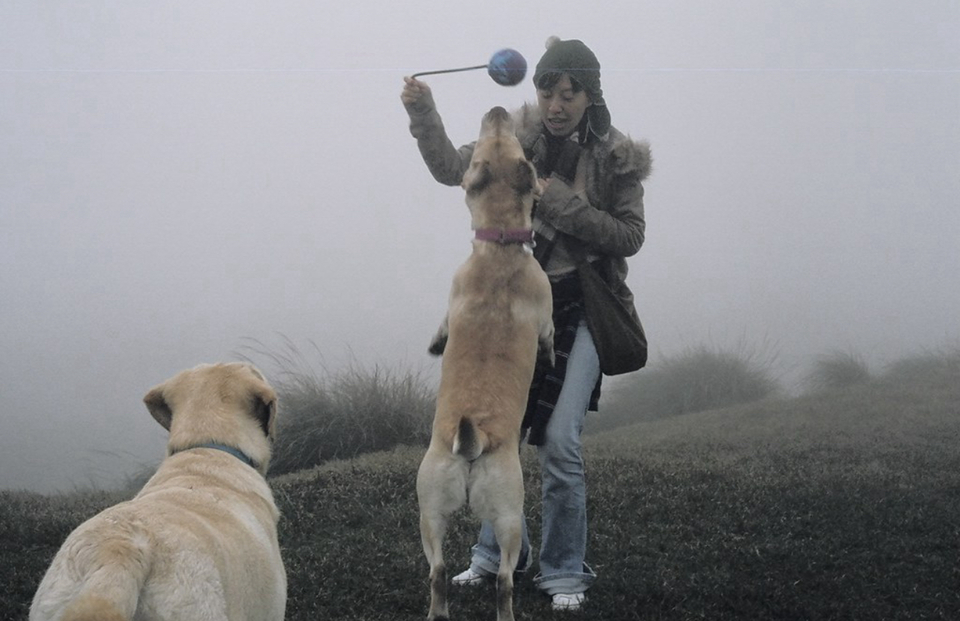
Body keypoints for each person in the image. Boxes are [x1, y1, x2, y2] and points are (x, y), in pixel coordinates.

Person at [401, 36, 652, 612]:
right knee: (499, 429)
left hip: (585, 307)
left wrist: (558, 200)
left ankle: (563, 572)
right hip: (515, 304)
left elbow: (630, 237)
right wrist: (422, 111)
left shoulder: (616, 157)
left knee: (560, 442)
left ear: (590, 95)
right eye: (547, 90)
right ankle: (490, 558)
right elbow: (450, 169)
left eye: (570, 93)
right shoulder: (522, 137)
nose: (556, 104)